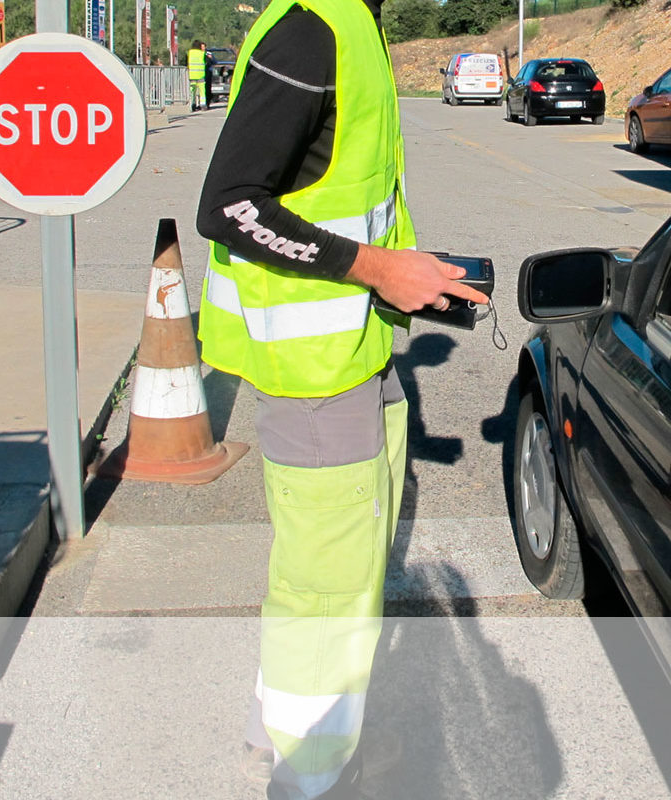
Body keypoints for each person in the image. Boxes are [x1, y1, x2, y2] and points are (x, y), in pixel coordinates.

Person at [195, 0, 488, 797]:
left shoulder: (354, 24)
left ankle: (280, 734)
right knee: (328, 594)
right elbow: (228, 205)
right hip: (316, 376)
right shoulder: (310, 29)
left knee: (322, 580)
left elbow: (343, 195)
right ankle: (312, 775)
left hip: (357, 355)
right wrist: (375, 269)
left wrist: (409, 282)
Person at [187, 40, 206, 111]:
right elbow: (206, 61)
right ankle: (203, 105)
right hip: (200, 75)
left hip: (192, 75)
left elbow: (187, 63)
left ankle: (193, 104)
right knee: (202, 91)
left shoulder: (190, 53)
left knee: (192, 91)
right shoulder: (202, 53)